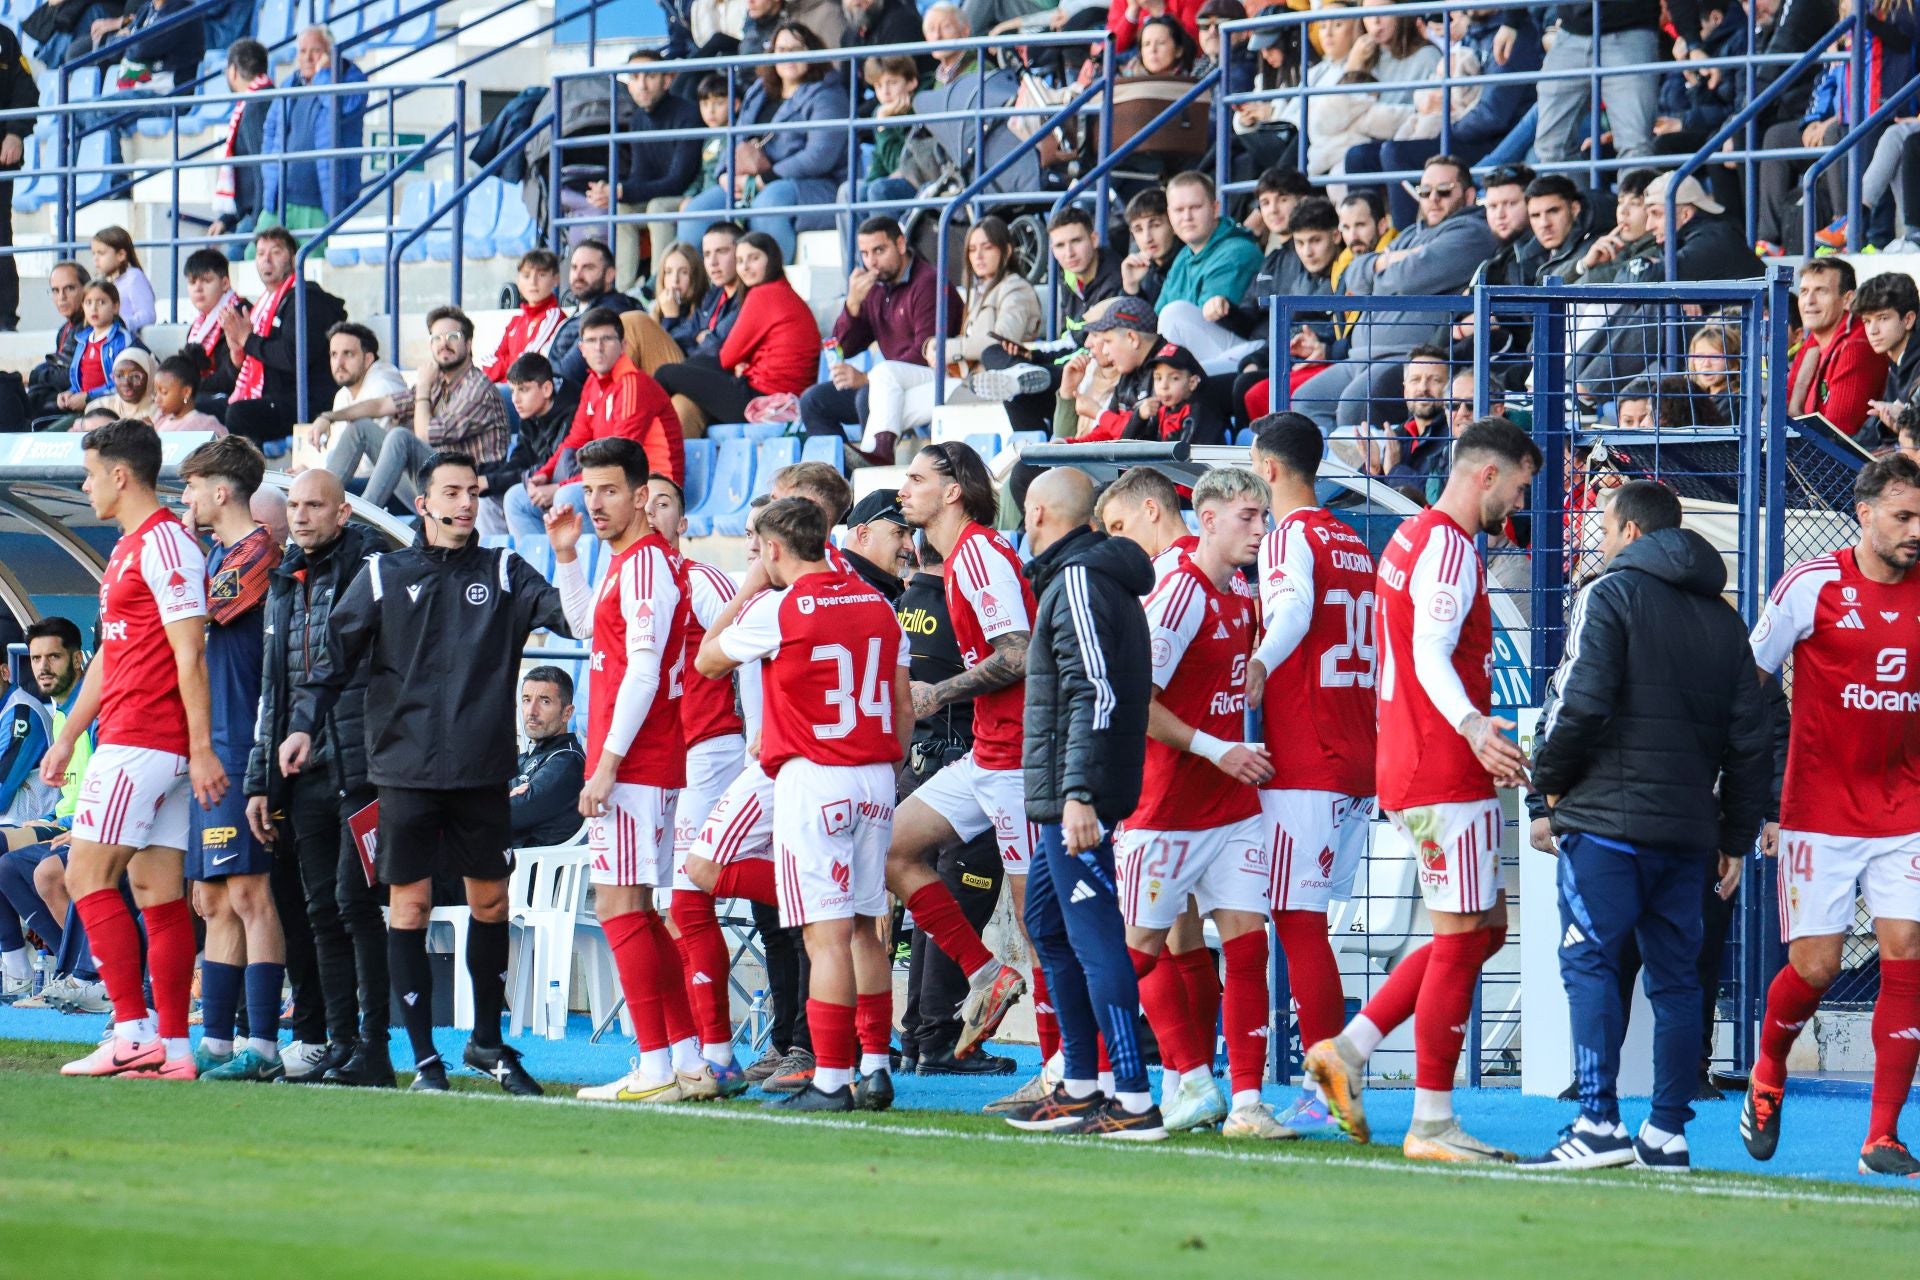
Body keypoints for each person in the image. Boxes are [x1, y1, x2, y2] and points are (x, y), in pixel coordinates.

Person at [279, 450, 578, 1095]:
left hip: (482, 774)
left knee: (490, 902)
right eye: (451, 491)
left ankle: (487, 1044)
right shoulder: (384, 574)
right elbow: (331, 660)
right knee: (407, 908)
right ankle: (423, 1059)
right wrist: (302, 724)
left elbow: (572, 619)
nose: (465, 502)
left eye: (473, 491)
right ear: (423, 503)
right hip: (405, 774)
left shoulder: (503, 569)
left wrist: (570, 556)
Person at [1304, 417, 1542, 1162]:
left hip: (1418, 760)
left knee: (1485, 930)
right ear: (1486, 476)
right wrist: (1473, 726)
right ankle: (1433, 1122)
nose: (1520, 503)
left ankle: (1349, 1049)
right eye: (1521, 486)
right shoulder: (1448, 544)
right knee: (1460, 938)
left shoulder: (1412, 538)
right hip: (1441, 766)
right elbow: (1431, 652)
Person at [1516, 480, 1768, 1172]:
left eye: (1603, 523)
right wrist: (1733, 839)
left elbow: (1578, 702)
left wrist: (1547, 792)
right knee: (1678, 980)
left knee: (1590, 961)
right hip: (1689, 832)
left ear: (1630, 531)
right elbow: (1751, 740)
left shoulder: (1609, 593)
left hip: (1606, 824)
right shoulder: (1724, 620)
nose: (1598, 536)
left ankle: (1596, 1122)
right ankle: (1665, 1131)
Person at [695, 496, 913, 1112]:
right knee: (869, 927)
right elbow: (899, 704)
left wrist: (747, 590)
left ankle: (832, 1079)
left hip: (814, 777)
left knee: (826, 937)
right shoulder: (877, 603)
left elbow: (707, 661)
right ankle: (874, 1067)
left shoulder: (780, 607)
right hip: (874, 773)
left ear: (771, 548)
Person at [1743, 453, 1920, 1179]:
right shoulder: (1811, 585)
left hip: (1906, 806)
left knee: (1907, 949)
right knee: (1813, 968)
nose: (1917, 531)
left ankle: (1881, 1136)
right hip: (1817, 809)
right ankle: (1768, 1070)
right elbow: (1749, 680)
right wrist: (1757, 788)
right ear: (1865, 513)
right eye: (1905, 517)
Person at [43, 421, 222, 1080]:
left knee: (84, 876)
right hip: (138, 739)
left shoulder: (166, 543)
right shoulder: (126, 550)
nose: (85, 486)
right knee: (155, 890)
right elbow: (110, 658)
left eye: (91, 474)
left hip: (144, 739)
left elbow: (190, 652)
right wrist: (66, 736)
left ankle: (128, 1031)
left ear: (121, 476)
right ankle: (173, 1047)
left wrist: (201, 749)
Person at [1117, 466, 1290, 1140]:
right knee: (1140, 950)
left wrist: (1253, 668)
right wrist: (1220, 750)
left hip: (1230, 806)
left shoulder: (1240, 590)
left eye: (1264, 517)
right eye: (1247, 517)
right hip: (1163, 809)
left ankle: (1246, 1102)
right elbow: (1140, 705)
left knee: (1249, 946)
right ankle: (1124, 1072)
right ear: (1207, 517)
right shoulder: (1179, 591)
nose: (1259, 530)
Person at [543, 438, 715, 1105]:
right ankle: (686, 1059)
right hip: (644, 761)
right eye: (588, 491)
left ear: (642, 495)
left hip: (638, 761)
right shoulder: (626, 562)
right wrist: (564, 556)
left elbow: (644, 668)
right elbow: (592, 629)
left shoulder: (646, 565)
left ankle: (656, 1064)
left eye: (609, 490)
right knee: (638, 910)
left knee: (620, 907)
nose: (595, 504)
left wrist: (606, 763)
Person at [1003, 465, 1165, 1137]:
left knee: (1097, 941)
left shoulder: (1076, 580)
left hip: (1078, 800)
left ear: (1037, 512)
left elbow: (1094, 691)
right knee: (1046, 923)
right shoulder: (1088, 578)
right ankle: (1079, 1082)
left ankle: (1131, 1098)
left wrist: (1078, 795)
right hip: (1063, 798)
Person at [1245, 414, 1381, 1136]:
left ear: (1267, 468)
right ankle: (1321, 1073)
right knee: (1303, 921)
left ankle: (1327, 1080)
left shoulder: (1291, 535)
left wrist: (1261, 662)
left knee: (1297, 923)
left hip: (1307, 755)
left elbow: (1293, 606)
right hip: (1355, 751)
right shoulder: (1352, 540)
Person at [246, 467, 392, 1088]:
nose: (301, 516)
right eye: (295, 506)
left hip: (362, 768)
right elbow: (273, 692)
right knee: (319, 910)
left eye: (314, 506)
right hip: (301, 771)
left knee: (355, 905)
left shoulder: (376, 572)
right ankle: (338, 1045)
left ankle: (374, 1049)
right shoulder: (281, 582)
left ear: (343, 514)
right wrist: (260, 781)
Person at [892, 442, 1036, 1064]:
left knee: (1037, 927)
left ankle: (1067, 1070)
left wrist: (936, 693)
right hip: (987, 752)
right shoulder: (961, 559)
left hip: (1019, 760)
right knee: (890, 849)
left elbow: (1018, 654)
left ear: (953, 491)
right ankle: (984, 975)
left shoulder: (978, 553)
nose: (905, 489)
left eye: (918, 479)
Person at [174, 437, 289, 1083]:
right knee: (214, 901)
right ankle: (216, 1042)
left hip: (244, 743)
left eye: (192, 486)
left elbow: (199, 616)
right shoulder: (218, 553)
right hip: (209, 744)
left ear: (222, 491)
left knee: (249, 894)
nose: (185, 498)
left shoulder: (256, 556)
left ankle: (265, 1047)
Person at [643, 474, 759, 1092]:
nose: (653, 511)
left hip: (707, 751)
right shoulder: (634, 581)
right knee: (661, 907)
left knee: (687, 900)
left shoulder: (703, 580)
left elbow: (752, 653)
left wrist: (756, 735)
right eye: (648, 502)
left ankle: (716, 1051)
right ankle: (690, 1049)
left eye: (666, 503)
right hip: (654, 762)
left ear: (684, 522)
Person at [1291, 155, 1500, 433]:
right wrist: (1388, 261)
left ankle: (1362, 474)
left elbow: (1404, 277)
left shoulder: (1472, 233)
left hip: (1404, 357)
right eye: (1425, 192)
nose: (1433, 199)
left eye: (1444, 191)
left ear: (1469, 194)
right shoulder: (1411, 234)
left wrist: (1387, 264)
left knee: (1355, 406)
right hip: (1360, 356)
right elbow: (1353, 274)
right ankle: (1324, 474)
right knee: (1305, 400)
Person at [864, 218, 1043, 462]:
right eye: (972, 249)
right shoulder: (981, 291)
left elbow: (999, 342)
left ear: (1007, 250)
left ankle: (874, 457)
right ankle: (877, 454)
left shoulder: (1015, 289)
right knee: (884, 378)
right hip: (963, 379)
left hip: (989, 383)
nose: (978, 256)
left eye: (987, 247)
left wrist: (944, 348)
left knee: (889, 406)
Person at [675, 23, 850, 261]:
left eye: (796, 49)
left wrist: (764, 179)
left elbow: (818, 157)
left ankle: (773, 287)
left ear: (812, 52)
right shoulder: (760, 90)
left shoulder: (828, 95)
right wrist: (725, 173)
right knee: (695, 213)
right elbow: (735, 136)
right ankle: (704, 293)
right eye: (781, 50)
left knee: (769, 203)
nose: (788, 56)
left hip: (815, 184)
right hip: (749, 182)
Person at [507, 308, 683, 536]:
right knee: (516, 500)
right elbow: (576, 438)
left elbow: (621, 459)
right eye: (591, 340)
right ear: (581, 349)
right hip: (616, 482)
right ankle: (543, 570)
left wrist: (559, 487)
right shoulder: (592, 383)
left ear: (623, 346)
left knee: (567, 496)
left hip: (652, 484)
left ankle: (598, 569)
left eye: (607, 339)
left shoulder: (633, 384)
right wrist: (545, 473)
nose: (598, 348)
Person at [321, 307, 514, 512]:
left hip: (464, 495)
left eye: (452, 337)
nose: (444, 344)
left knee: (399, 437)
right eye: (437, 338)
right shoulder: (438, 382)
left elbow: (424, 436)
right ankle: (319, 507)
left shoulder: (477, 388)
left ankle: (363, 521)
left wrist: (422, 388)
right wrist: (328, 417)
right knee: (360, 428)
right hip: (432, 486)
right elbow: (381, 405)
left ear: (468, 344)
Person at [803, 215, 963, 453]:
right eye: (865, 254)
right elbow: (842, 349)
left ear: (900, 244)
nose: (872, 262)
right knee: (813, 401)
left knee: (866, 395)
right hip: (888, 383)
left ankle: (876, 468)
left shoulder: (929, 282)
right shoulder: (874, 288)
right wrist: (852, 305)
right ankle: (838, 476)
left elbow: (925, 352)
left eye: (879, 250)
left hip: (927, 378)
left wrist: (867, 378)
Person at [655, 231, 818, 431]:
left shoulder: (762, 295)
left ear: (772, 260)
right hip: (774, 392)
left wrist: (741, 364)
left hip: (764, 400)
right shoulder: (781, 290)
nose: (745, 267)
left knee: (665, 373)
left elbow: (727, 358)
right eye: (740, 260)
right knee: (697, 363)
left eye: (754, 258)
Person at [222, 226, 346, 446]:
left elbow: (293, 357)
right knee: (208, 407)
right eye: (260, 253)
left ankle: (250, 478)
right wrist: (237, 351)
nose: (266, 260)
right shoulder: (262, 305)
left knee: (239, 414)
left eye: (276, 252)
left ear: (294, 258)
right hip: (275, 395)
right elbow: (244, 372)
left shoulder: (306, 299)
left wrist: (248, 341)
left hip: (307, 399)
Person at [592, 48, 702, 286]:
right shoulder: (638, 120)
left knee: (656, 207)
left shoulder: (687, 114)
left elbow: (679, 180)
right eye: (634, 77)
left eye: (650, 76)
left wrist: (623, 190)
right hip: (662, 197)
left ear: (667, 80)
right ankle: (623, 291)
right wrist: (612, 191)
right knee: (621, 211)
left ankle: (657, 288)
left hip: (691, 196)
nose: (642, 85)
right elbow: (640, 176)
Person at [260, 26, 370, 238]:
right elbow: (271, 129)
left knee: (310, 263)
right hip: (281, 198)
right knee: (253, 257)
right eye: (302, 51)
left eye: (316, 51)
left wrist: (323, 75)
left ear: (330, 53)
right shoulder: (290, 83)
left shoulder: (351, 78)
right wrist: (269, 170)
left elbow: (343, 107)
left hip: (319, 202)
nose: (308, 58)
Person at [1151, 172, 1264, 374]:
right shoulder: (1183, 255)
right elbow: (1157, 318)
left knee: (1174, 313)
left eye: (1195, 207)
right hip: (1201, 358)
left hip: (1243, 355)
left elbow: (1201, 319)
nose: (1187, 217)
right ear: (1169, 214)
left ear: (1215, 208)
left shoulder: (1236, 251)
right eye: (1179, 210)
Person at [1535, 2, 1660, 165]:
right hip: (1570, 31)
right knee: (1550, 147)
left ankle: (1632, 191)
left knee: (1635, 146)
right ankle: (1571, 191)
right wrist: (1511, 22)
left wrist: (1691, 40)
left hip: (1630, 30)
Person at [1788, 257, 1888, 444]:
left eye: (1821, 291)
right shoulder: (1813, 340)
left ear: (1847, 299)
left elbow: (1836, 435)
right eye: (1804, 292)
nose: (1809, 301)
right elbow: (1784, 405)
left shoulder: (1856, 346)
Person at [480, 353, 579, 534]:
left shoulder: (572, 412)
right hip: (539, 484)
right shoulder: (530, 411)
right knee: (486, 499)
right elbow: (520, 459)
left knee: (511, 497)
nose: (515, 399)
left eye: (523, 390)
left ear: (547, 389)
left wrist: (490, 481)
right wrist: (488, 480)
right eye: (512, 391)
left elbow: (553, 468)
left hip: (562, 487)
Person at [307, 322, 408, 470]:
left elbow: (368, 467)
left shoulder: (384, 386)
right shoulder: (343, 394)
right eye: (334, 354)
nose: (339, 363)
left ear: (368, 359)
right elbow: (338, 455)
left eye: (348, 354)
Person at [548, 240, 643, 396]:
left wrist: (536, 379)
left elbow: (568, 373)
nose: (578, 275)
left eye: (588, 268)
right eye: (574, 268)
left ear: (610, 274)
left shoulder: (611, 311)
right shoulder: (584, 309)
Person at [511, 667, 586, 849]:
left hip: (529, 870)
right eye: (527, 700)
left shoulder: (567, 761)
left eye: (545, 701)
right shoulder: (527, 757)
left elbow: (509, 814)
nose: (532, 711)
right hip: (502, 865)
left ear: (567, 713)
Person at [207, 39, 273, 240]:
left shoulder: (256, 105)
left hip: (258, 215)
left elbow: (262, 165)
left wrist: (258, 222)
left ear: (233, 70)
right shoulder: (257, 99)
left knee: (235, 255)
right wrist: (226, 219)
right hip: (250, 212)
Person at [180, 248, 249, 416]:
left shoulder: (239, 315)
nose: (198, 288)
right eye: (192, 282)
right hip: (206, 392)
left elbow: (228, 378)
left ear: (225, 283)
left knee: (182, 403)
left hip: (235, 398)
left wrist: (188, 387)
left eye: (206, 280)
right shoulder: (198, 324)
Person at [0, 21, 36, 332]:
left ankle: (4, 320)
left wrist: (15, 132)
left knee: (0, 239)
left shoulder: (3, 38)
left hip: (0, 160)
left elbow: (26, 89)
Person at [483, 250, 566, 383]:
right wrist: (510, 362)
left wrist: (502, 366)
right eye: (526, 276)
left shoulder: (554, 316)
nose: (533, 282)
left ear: (555, 279)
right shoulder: (516, 320)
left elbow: (526, 364)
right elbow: (487, 362)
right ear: (518, 280)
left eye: (541, 275)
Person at [1857, 271, 1920, 439]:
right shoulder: (1897, 362)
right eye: (1867, 321)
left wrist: (1906, 427)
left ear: (1908, 320)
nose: (1873, 331)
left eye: (1883, 318)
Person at [57, 281, 135, 415]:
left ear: (115, 307)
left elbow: (124, 384)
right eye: (88, 302)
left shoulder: (123, 340)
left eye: (101, 302)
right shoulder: (82, 340)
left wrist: (89, 397)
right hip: (84, 407)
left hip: (110, 409)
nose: (94, 308)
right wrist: (70, 393)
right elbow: (81, 379)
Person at [26, 262, 89, 420]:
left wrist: (36, 374)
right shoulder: (65, 329)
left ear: (86, 289)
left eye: (69, 288)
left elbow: (76, 375)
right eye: (55, 290)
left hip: (79, 406)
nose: (62, 297)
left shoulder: (93, 325)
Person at [89, 227, 155, 339]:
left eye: (101, 253)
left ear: (121, 255)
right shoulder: (103, 281)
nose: (95, 259)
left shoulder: (134, 277)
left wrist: (119, 325)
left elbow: (148, 315)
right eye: (93, 253)